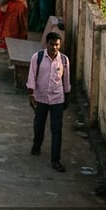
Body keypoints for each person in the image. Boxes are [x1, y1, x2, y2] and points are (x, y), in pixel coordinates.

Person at [28, 31, 71, 172]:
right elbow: (32, 77)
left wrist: (66, 97)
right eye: (52, 44)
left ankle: (55, 160)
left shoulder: (64, 60)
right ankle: (37, 144)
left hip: (57, 99)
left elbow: (66, 81)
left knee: (56, 130)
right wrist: (32, 95)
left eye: (57, 45)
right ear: (47, 44)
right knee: (39, 125)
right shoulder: (38, 57)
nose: (54, 48)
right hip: (41, 98)